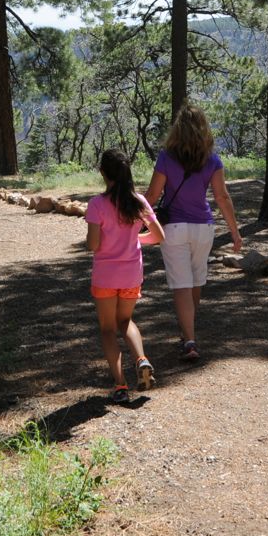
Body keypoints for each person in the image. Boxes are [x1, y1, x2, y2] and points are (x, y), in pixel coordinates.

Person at [145, 104, 242, 362]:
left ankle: (189, 340)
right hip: (203, 228)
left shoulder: (166, 157)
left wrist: (133, 219)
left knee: (181, 285)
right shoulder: (212, 159)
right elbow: (222, 197)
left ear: (177, 129)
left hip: (174, 228)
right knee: (196, 281)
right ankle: (187, 332)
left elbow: (153, 194)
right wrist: (234, 232)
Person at [86, 148, 167, 404]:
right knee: (125, 320)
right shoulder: (138, 201)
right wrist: (135, 240)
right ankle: (141, 359)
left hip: (105, 276)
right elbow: (159, 236)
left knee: (108, 329)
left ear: (103, 172)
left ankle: (121, 385)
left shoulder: (97, 204)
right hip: (132, 274)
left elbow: (93, 244)